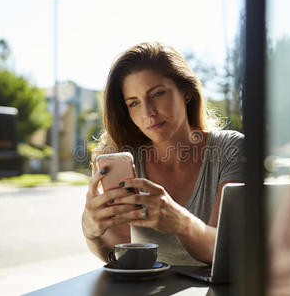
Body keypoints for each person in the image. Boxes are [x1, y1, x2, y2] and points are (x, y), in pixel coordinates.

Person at [81, 42, 245, 266]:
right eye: (134, 103)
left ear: (186, 93)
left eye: (157, 94)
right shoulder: (124, 160)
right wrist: (92, 231)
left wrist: (179, 221)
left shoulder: (230, 148)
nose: (148, 113)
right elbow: (118, 255)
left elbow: (225, 251)